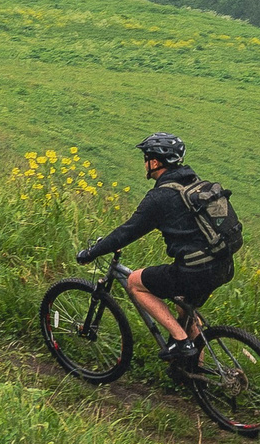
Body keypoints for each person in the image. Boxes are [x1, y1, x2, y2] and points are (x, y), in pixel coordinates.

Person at [74, 132, 232, 363]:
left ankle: (180, 341)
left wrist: (91, 253)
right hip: (223, 265)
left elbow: (126, 232)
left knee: (135, 283)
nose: (144, 163)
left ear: (155, 162)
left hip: (196, 270)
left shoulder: (160, 197)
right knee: (184, 308)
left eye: (146, 158)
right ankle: (197, 369)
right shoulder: (193, 182)